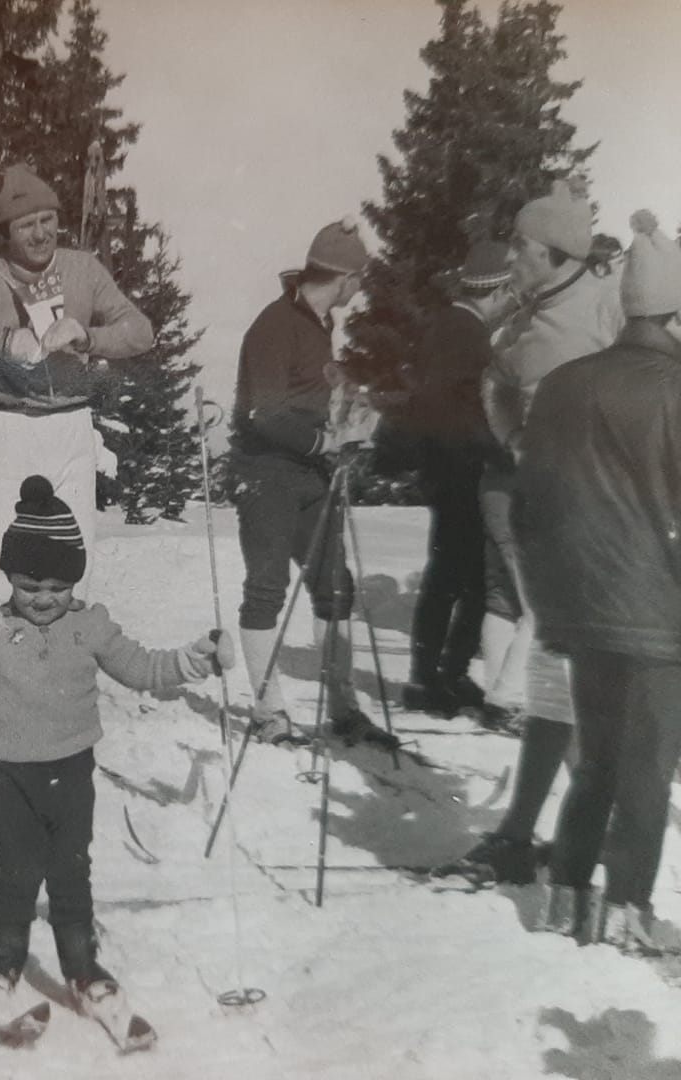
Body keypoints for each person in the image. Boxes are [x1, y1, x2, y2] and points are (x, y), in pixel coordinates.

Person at [0, 475, 233, 1005]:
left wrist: (195, 659)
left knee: (70, 867)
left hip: (71, 769)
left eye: (58, 588)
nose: (44, 599)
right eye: (30, 585)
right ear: (11, 576)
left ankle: (81, 964)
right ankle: (5, 958)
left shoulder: (91, 627)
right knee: (17, 867)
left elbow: (143, 668)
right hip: (9, 770)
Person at [441, 182, 623, 884]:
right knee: (556, 678)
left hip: (593, 519)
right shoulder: (531, 308)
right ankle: (535, 830)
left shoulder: (597, 309)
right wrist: (515, 433)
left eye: (519, 246)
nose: (509, 254)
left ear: (549, 254)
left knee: (571, 679)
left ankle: (586, 833)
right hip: (550, 511)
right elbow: (496, 379)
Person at [519, 211, 681, 955]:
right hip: (658, 614)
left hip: (582, 608)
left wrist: (555, 598)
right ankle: (628, 911)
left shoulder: (562, 384)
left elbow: (531, 506)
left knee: (599, 759)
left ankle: (565, 898)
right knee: (648, 769)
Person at [229, 217, 396, 749]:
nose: (360, 289)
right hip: (267, 476)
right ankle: (268, 710)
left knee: (335, 585)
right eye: (359, 279)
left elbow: (309, 397)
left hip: (312, 476)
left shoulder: (320, 326)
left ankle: (343, 707)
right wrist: (321, 442)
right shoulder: (274, 325)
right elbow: (263, 413)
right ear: (344, 277)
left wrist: (349, 423)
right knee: (266, 589)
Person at [0, 164, 154, 602]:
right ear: (6, 231)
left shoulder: (83, 269)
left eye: (47, 220)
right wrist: (1, 342)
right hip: (4, 426)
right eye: (26, 225)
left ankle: (68, 656)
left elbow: (141, 331)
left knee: (76, 554)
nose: (40, 234)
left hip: (71, 425)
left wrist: (89, 335)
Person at [397, 241, 514, 716]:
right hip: (460, 471)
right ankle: (429, 680)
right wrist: (502, 451)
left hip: (449, 469)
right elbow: (461, 416)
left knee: (460, 576)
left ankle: (446, 673)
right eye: (510, 292)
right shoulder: (465, 334)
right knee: (454, 577)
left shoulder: (449, 326)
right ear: (497, 289)